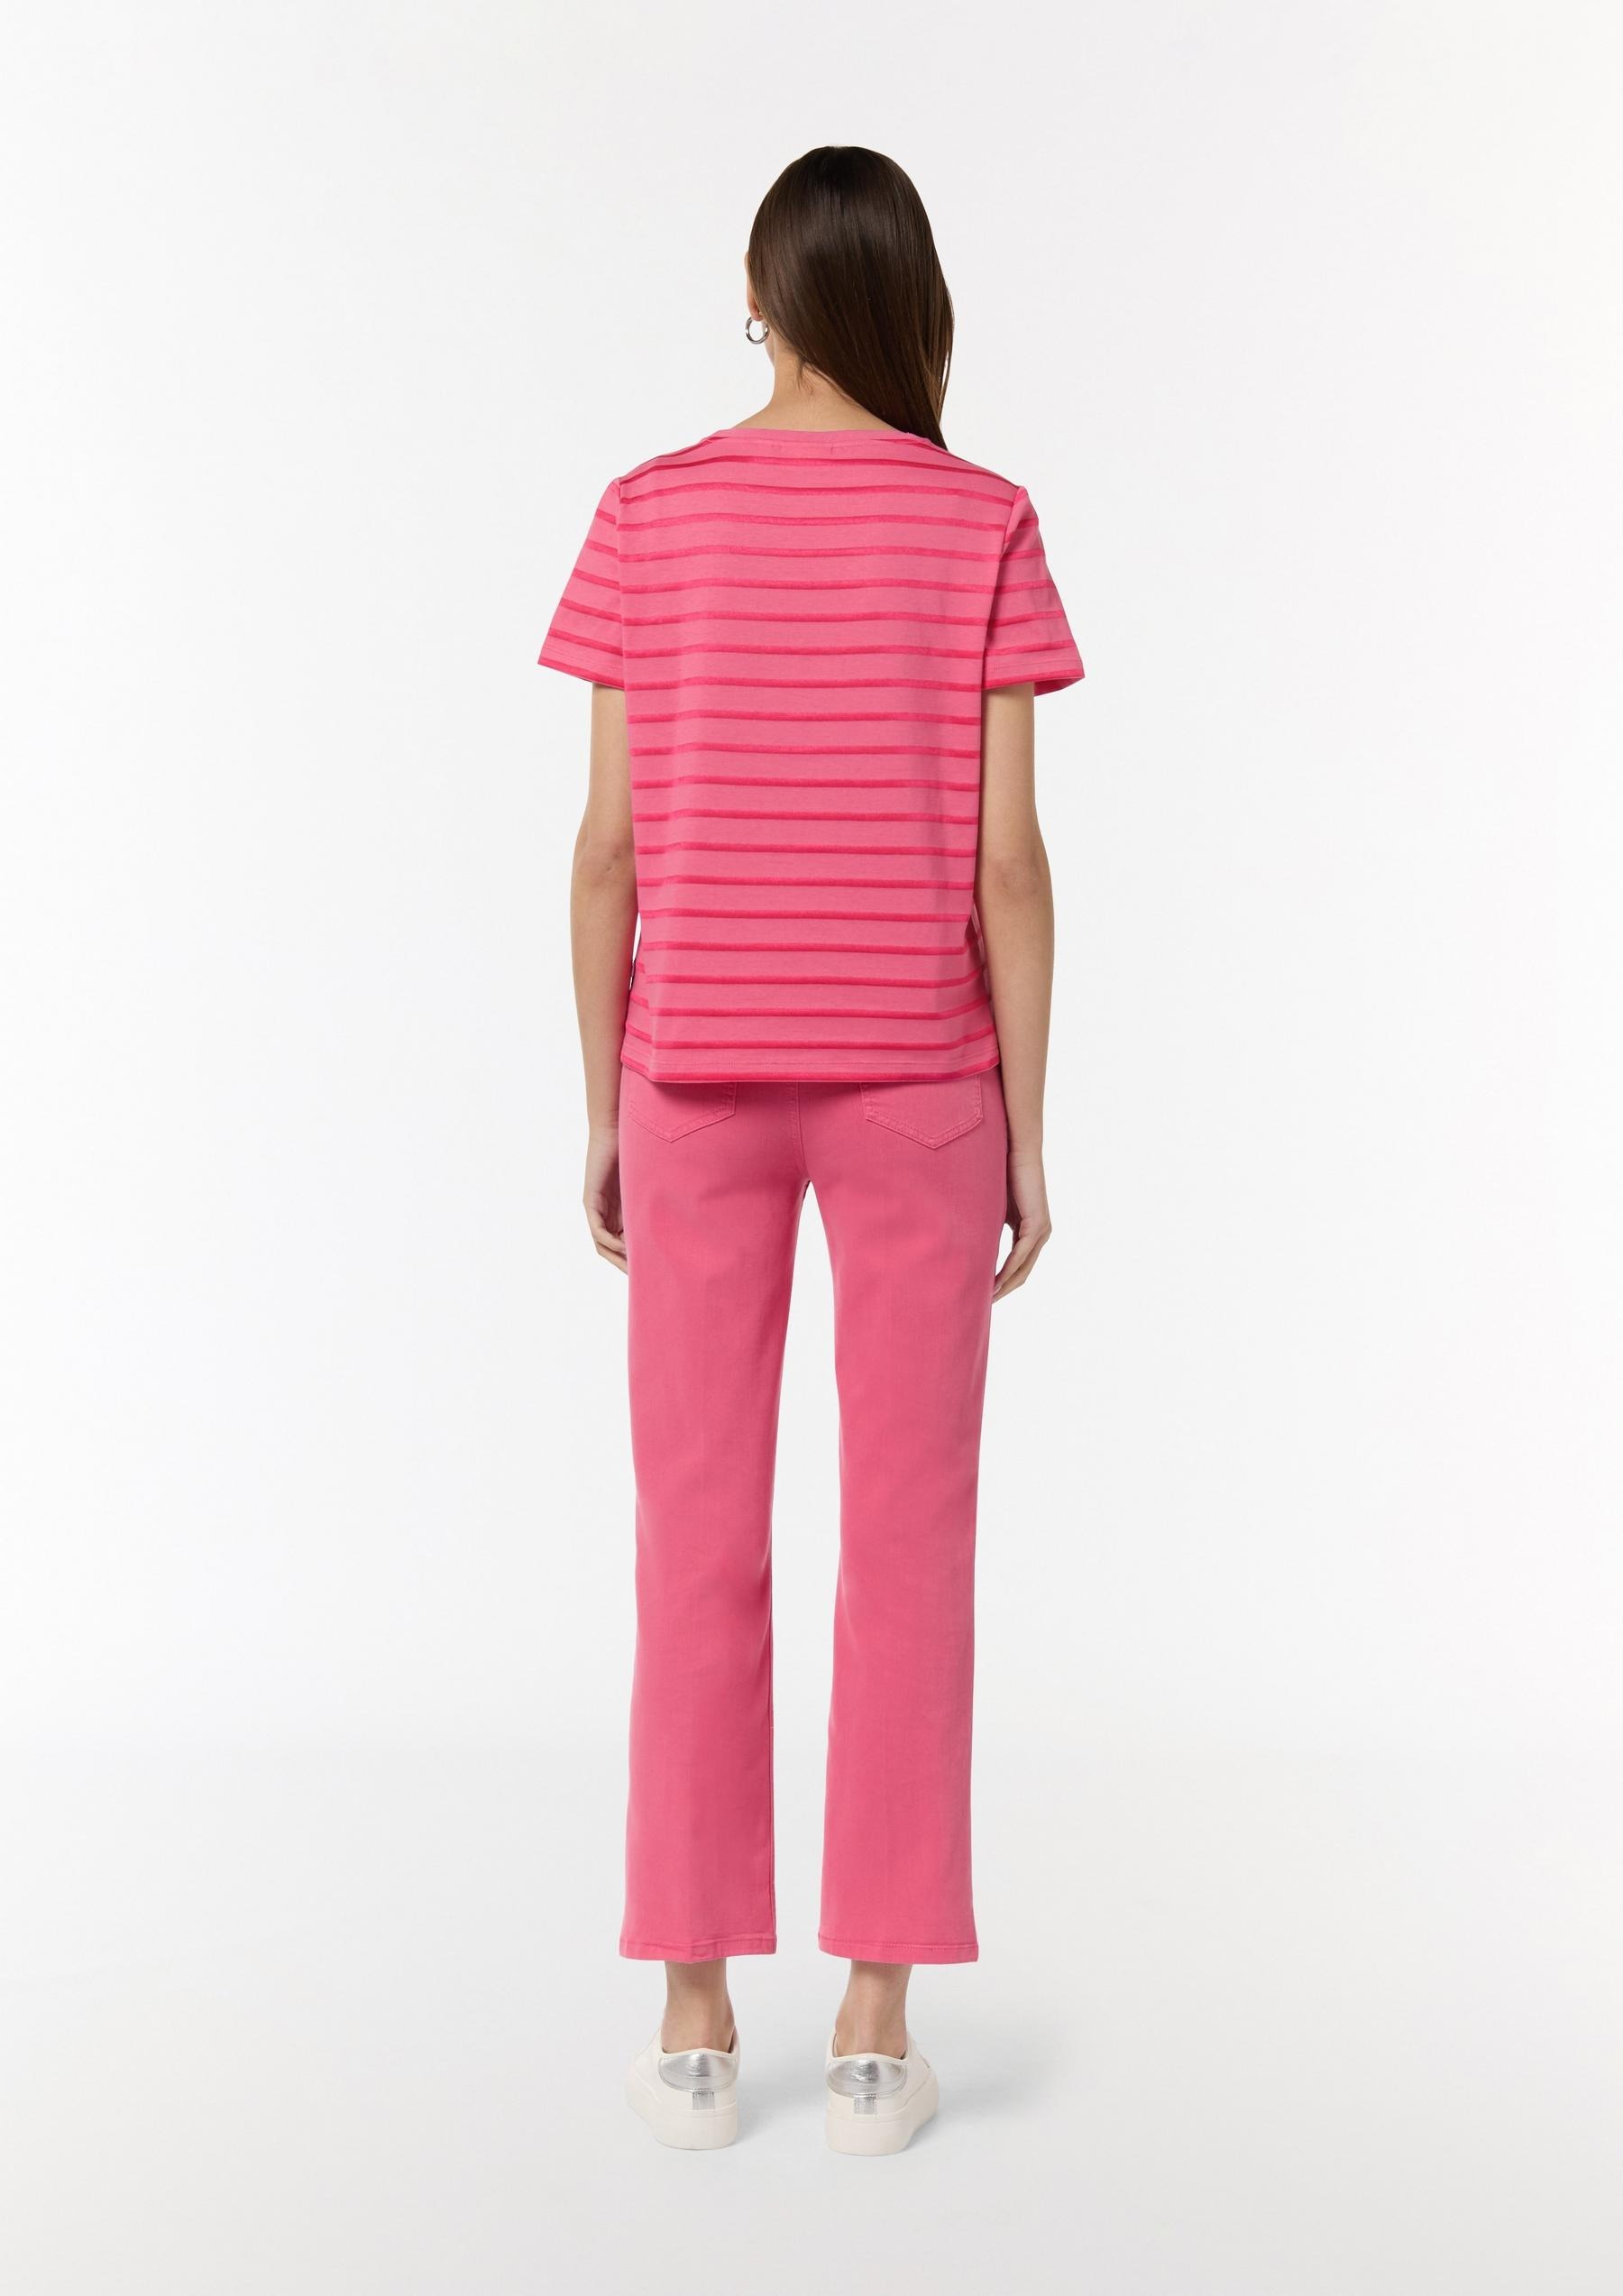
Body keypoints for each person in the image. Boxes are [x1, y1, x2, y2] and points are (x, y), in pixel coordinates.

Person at [538, 144, 1083, 2154]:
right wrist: (1032, 1126)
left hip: (691, 1078)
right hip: (923, 1081)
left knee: (696, 1536)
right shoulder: (983, 518)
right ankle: (871, 2023)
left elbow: (606, 850)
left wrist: (601, 1101)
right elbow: (1009, 864)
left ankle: (693, 2016)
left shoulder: (648, 511)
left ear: (759, 302)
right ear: (910, 308)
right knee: (910, 1542)